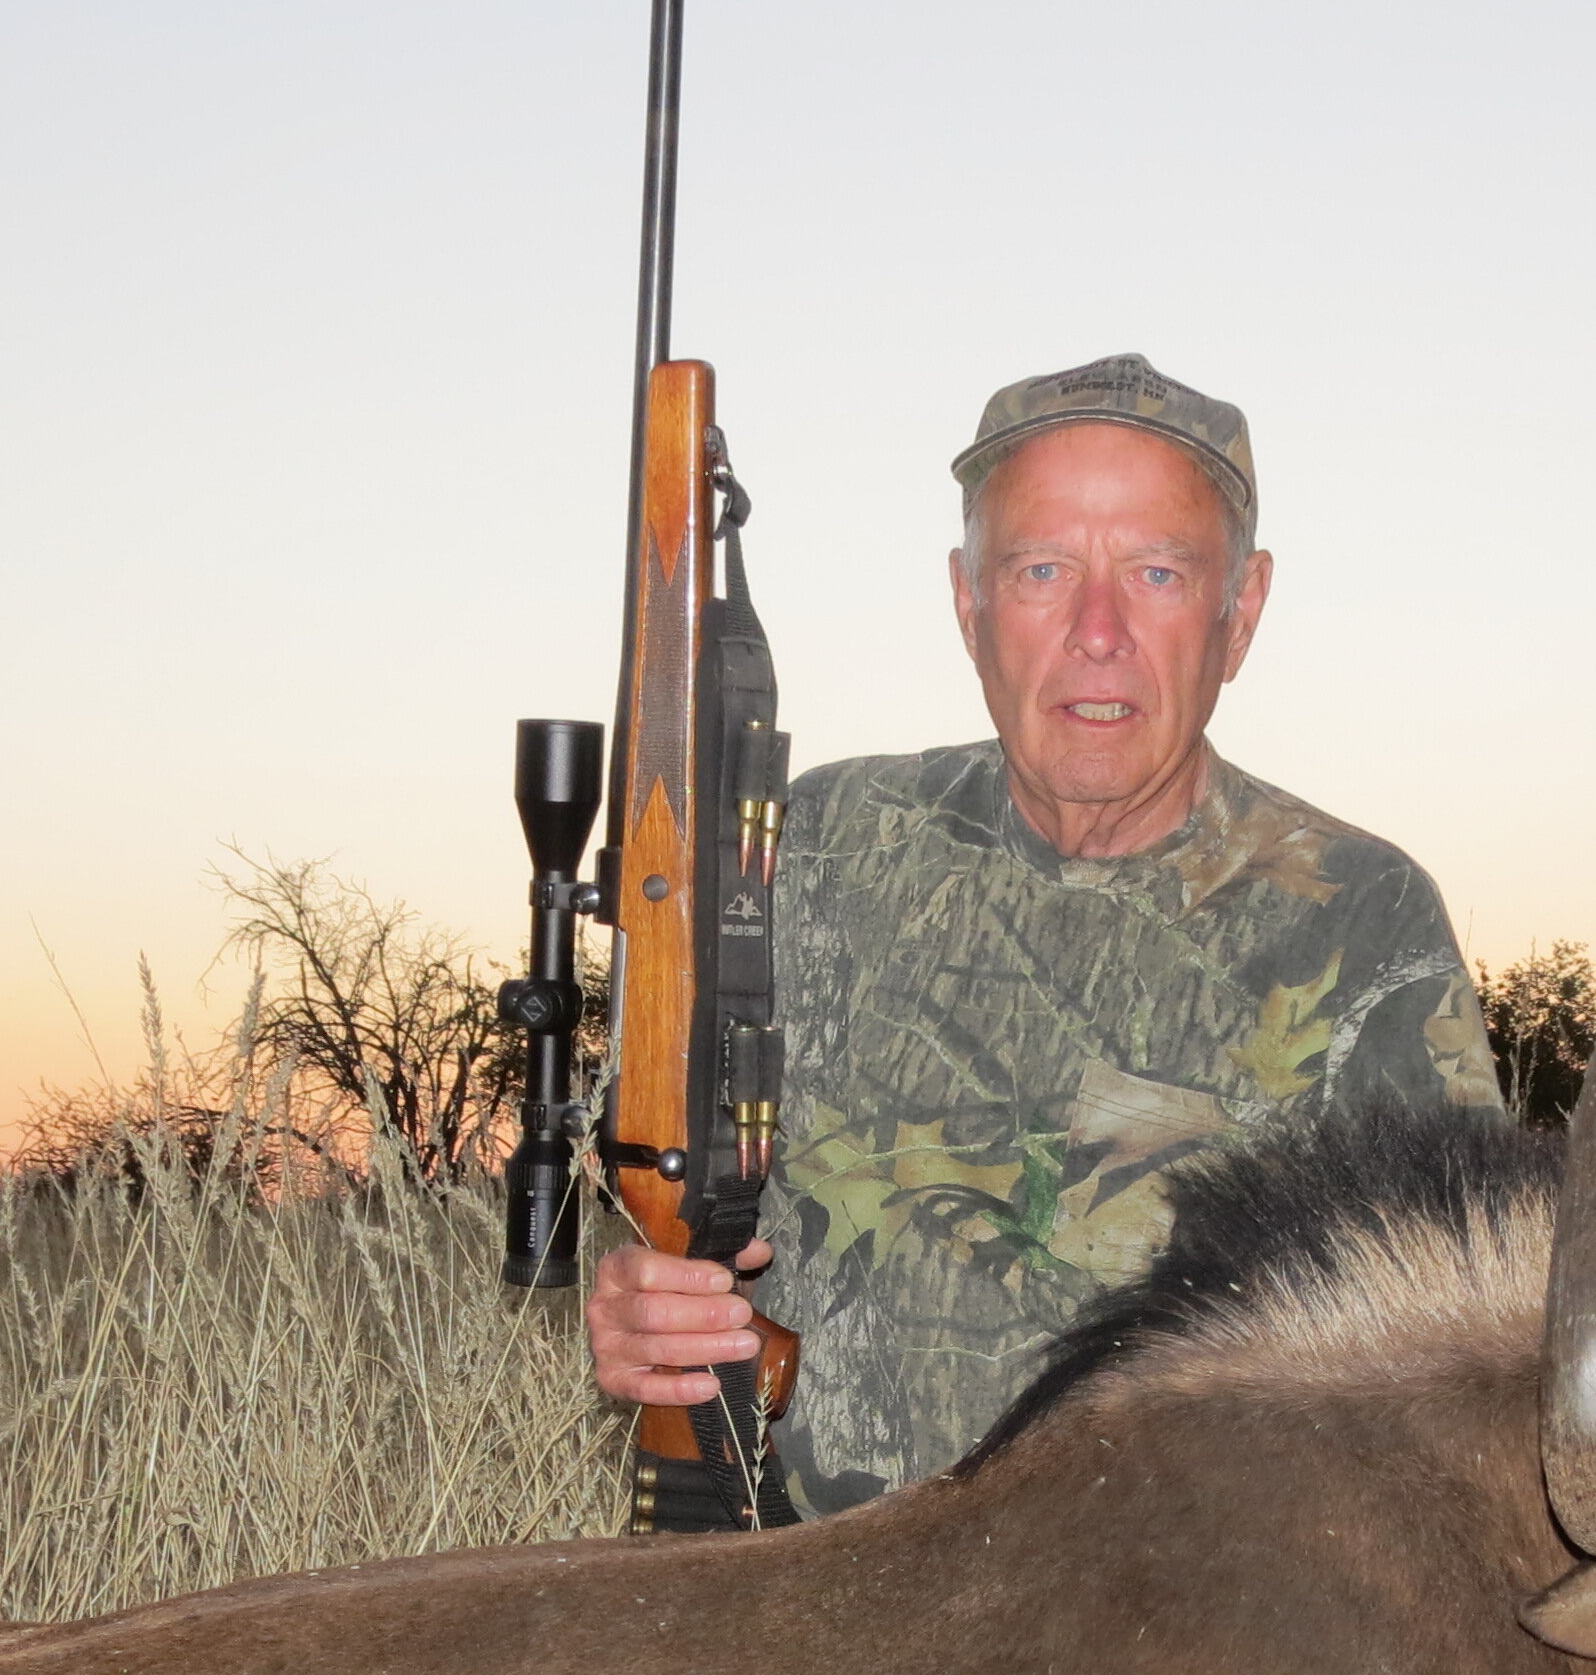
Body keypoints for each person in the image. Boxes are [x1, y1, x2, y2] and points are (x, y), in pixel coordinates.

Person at [586, 353, 1504, 1514]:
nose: (1098, 630)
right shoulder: (806, 848)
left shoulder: (1362, 918)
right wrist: (638, 1303)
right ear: (969, 604)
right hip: (807, 1605)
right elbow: (654, 1201)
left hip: (1176, 1639)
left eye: (1158, 572)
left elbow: (1461, 1367)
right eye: (1040, 570)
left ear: (1243, 610)